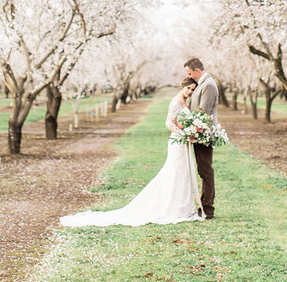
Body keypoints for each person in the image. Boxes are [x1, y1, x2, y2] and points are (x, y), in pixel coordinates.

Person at [59, 78, 204, 227]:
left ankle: (182, 207)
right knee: (176, 173)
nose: (190, 92)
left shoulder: (184, 102)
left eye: (193, 89)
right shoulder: (176, 101)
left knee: (183, 173)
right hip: (177, 142)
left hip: (183, 142)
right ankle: (174, 209)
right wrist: (184, 133)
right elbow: (168, 123)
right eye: (188, 88)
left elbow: (180, 121)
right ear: (182, 86)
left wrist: (190, 132)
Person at [184, 57, 219, 220]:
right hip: (197, 132)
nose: (190, 77)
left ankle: (207, 207)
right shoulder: (202, 84)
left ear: (197, 70)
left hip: (203, 133)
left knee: (206, 170)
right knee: (202, 169)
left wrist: (191, 126)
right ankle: (203, 204)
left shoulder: (209, 85)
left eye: (190, 73)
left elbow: (203, 112)